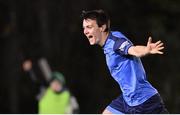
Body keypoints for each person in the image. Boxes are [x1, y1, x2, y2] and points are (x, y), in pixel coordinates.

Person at [81, 9, 168, 114]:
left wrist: (146, 50)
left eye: (89, 27)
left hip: (144, 102)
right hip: (128, 100)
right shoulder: (111, 40)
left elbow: (133, 50)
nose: (85, 31)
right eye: (84, 28)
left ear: (102, 27)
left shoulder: (115, 43)